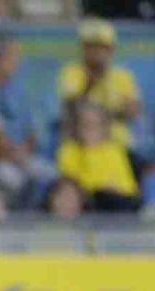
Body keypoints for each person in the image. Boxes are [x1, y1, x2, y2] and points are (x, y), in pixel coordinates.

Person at [59, 19, 142, 150]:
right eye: (92, 46)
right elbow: (71, 109)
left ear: (111, 49)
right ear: (84, 48)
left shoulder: (123, 76)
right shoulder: (72, 72)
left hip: (120, 145)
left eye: (101, 47)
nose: (96, 52)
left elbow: (134, 113)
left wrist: (126, 110)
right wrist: (93, 81)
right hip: (83, 147)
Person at [57, 101, 141, 214]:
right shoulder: (69, 150)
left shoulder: (114, 150)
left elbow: (129, 189)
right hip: (85, 205)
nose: (91, 129)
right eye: (86, 124)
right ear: (77, 126)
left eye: (96, 125)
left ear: (104, 128)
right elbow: (72, 185)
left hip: (113, 202)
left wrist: (111, 189)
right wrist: (101, 185)